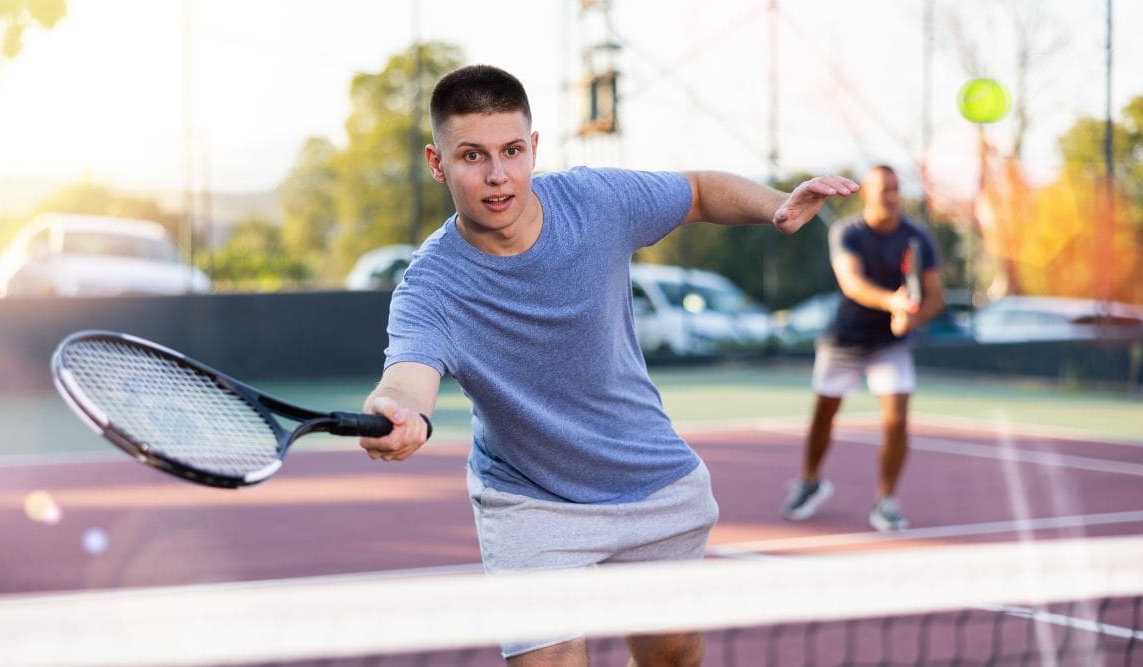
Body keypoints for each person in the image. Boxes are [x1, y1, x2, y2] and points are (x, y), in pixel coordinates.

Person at [359, 64, 857, 666]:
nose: (498, 176)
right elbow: (408, 374)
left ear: (533, 148)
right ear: (438, 163)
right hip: (530, 501)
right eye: (472, 156)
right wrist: (397, 411)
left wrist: (776, 206)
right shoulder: (431, 286)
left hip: (650, 479)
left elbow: (696, 190)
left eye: (512, 151)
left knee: (672, 655)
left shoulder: (595, 201)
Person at [780, 164, 944, 533]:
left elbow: (935, 297)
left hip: (891, 345)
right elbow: (852, 283)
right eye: (883, 189)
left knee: (897, 418)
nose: (891, 196)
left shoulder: (917, 236)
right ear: (866, 193)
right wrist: (894, 304)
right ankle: (810, 482)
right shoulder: (847, 231)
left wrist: (912, 319)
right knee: (824, 415)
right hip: (844, 340)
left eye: (895, 189)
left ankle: (886, 502)